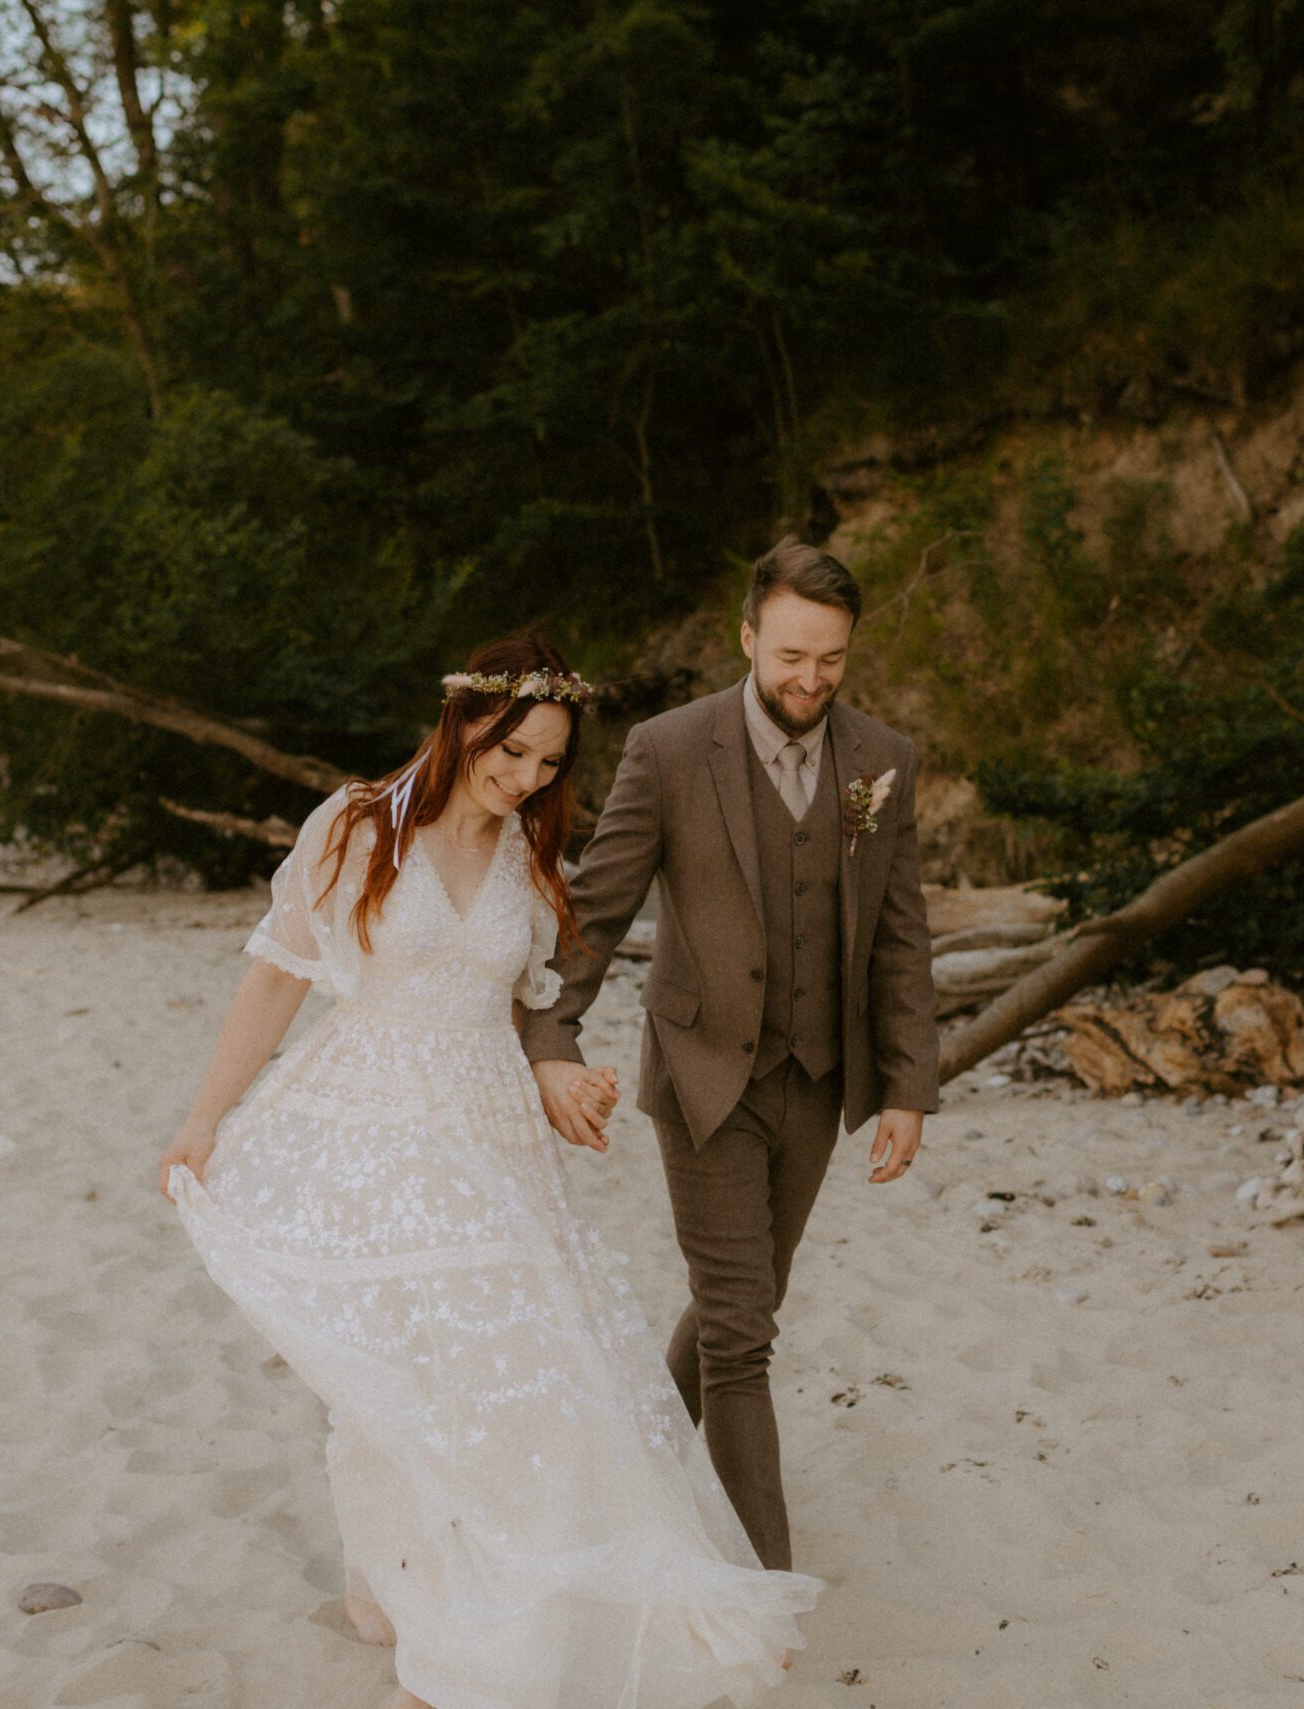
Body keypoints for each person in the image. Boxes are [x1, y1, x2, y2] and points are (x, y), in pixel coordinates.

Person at [158, 635, 817, 1709]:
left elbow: (530, 1006)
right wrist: (202, 1118)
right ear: (464, 723)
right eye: (512, 752)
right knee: (414, 1374)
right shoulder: (359, 823)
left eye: (549, 762)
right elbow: (277, 978)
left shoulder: (529, 857)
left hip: (492, 1135)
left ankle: (472, 1612)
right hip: (376, 1126)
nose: (526, 777)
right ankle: (427, 1610)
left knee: (519, 1373)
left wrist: (561, 1076)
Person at [520, 539, 939, 1578]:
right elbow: (596, 910)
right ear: (747, 635)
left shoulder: (881, 758)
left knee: (737, 1300)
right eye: (791, 654)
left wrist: (907, 1086)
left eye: (831, 658)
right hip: (703, 1074)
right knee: (743, 1331)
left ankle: (636, 1464)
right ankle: (764, 1581)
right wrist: (553, 1035)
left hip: (818, 1081)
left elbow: (899, 935)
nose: (811, 678)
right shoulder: (669, 749)